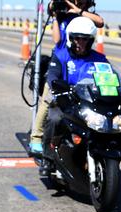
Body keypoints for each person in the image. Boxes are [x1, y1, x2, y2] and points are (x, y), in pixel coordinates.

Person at [29, 0, 104, 156]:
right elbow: (57, 41)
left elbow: (100, 22)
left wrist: (78, 11)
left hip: (81, 60)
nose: (81, 3)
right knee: (48, 98)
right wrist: (56, 13)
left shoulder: (86, 16)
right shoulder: (63, 16)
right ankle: (36, 137)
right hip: (62, 59)